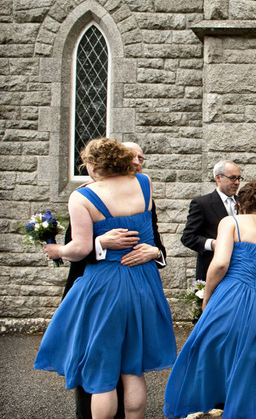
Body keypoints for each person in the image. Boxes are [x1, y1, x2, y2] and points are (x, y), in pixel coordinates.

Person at [36, 138, 177, 419]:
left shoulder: (82, 196)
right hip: (143, 284)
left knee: (102, 375)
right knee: (132, 370)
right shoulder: (144, 183)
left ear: (92, 165)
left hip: (105, 288)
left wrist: (57, 250)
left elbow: (79, 249)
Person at [164, 181, 256, 419]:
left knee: (205, 348)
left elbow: (221, 263)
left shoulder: (231, 222)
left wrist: (208, 296)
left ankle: (209, 400)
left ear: (240, 204)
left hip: (234, 296)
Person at [181, 160, 241, 281]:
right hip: (212, 271)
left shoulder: (244, 203)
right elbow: (188, 237)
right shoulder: (202, 203)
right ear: (218, 178)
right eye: (232, 178)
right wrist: (213, 244)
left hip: (240, 272)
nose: (237, 182)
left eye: (239, 178)